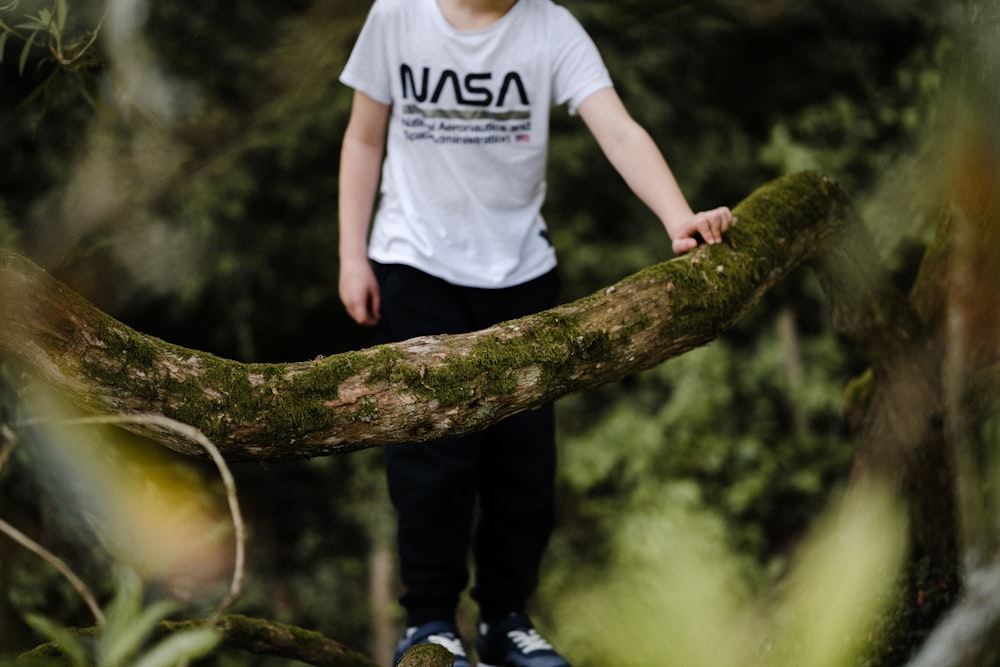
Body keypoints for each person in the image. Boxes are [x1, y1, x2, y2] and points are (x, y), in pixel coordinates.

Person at [337, 0, 733, 665]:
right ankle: (431, 619)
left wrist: (679, 217)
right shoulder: (397, 15)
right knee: (435, 458)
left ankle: (504, 618)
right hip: (415, 263)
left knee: (524, 461)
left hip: (520, 273)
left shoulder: (550, 28)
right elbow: (363, 138)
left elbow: (619, 131)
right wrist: (353, 255)